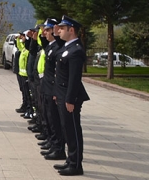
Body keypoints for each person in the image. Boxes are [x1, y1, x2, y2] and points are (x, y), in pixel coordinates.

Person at [54, 15, 89, 176]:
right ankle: (70, 160)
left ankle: (76, 165)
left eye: (62, 28)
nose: (59, 30)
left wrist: (69, 99)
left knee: (73, 130)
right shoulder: (67, 47)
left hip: (70, 97)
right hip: (62, 94)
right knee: (67, 129)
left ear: (71, 30)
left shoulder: (76, 50)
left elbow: (75, 78)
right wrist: (57, 94)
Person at [39, 18, 67, 161]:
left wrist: (56, 34)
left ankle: (58, 147)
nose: (44, 32)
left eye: (47, 30)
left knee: (55, 119)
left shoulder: (57, 46)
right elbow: (41, 41)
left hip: (52, 87)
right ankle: (52, 142)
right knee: (49, 117)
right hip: (46, 86)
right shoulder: (50, 46)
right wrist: (43, 34)